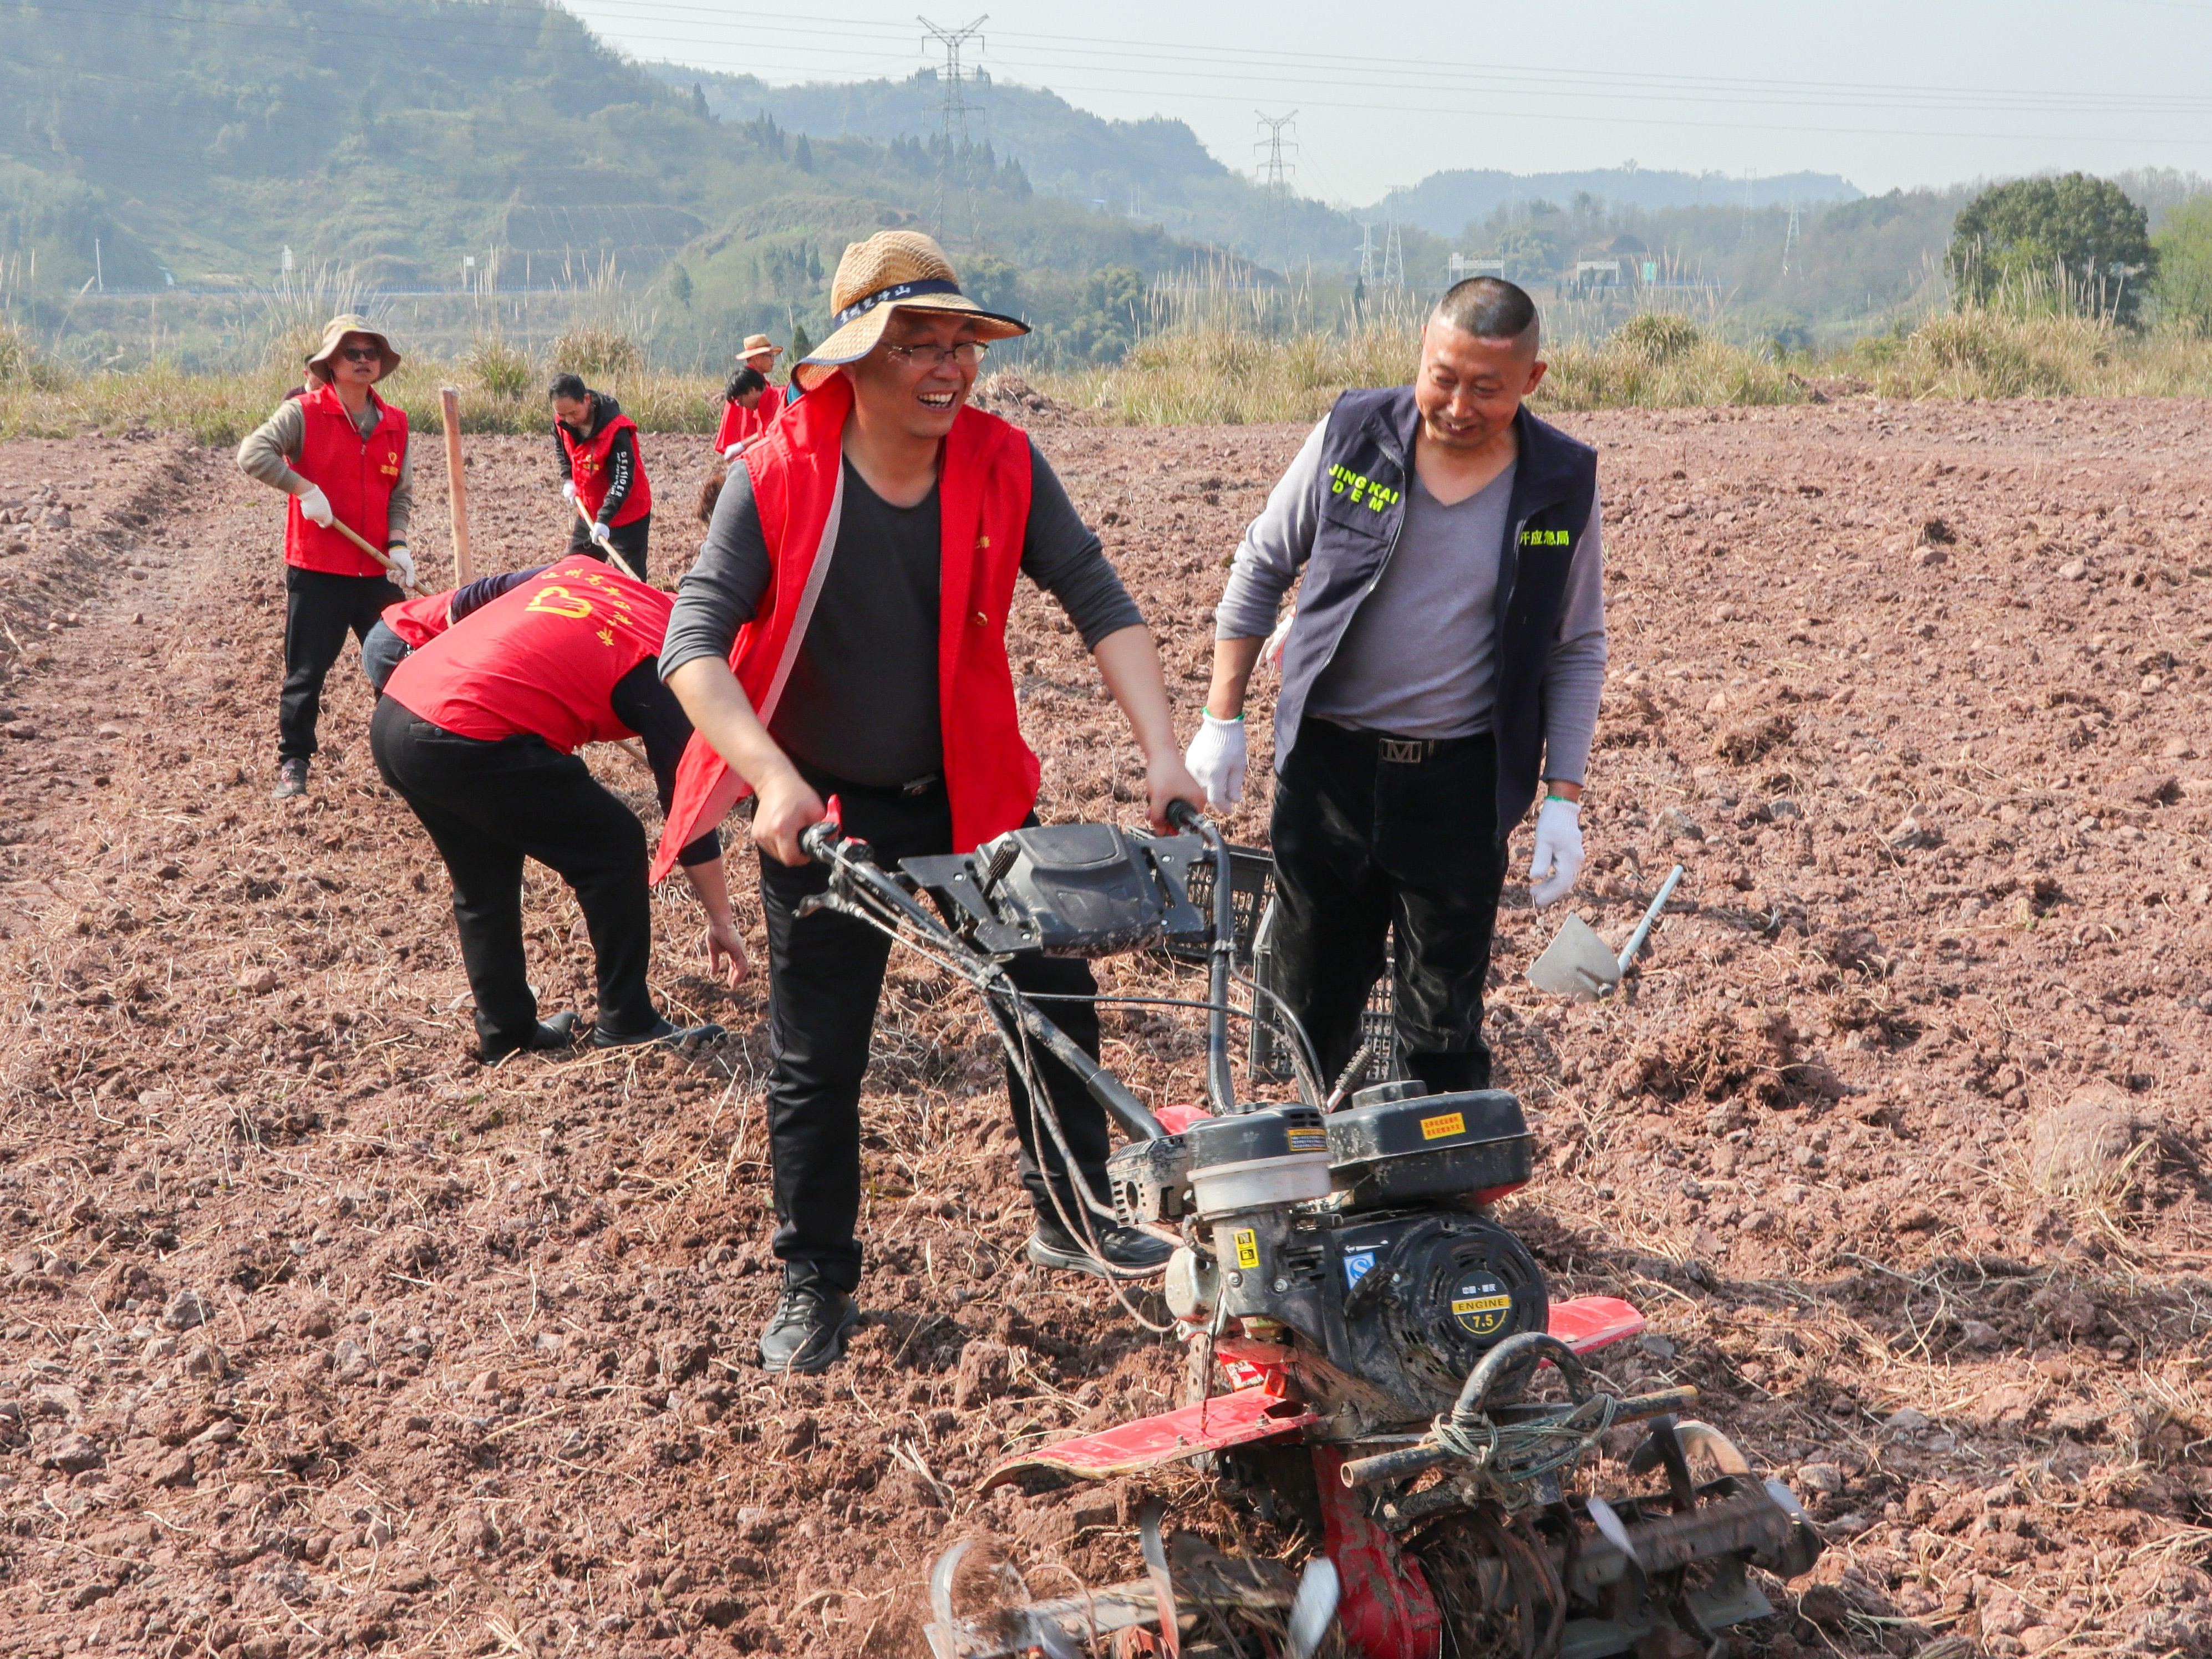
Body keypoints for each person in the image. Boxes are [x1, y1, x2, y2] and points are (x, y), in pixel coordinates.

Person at [659, 231, 1206, 1374]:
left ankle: (1071, 1212)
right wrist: (772, 779)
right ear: (852, 360)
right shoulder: (775, 475)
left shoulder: (1004, 463)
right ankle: (815, 1276)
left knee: (1051, 993)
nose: (947, 366)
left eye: (961, 343)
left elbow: (1097, 597)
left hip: (971, 790)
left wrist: (1163, 750)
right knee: (818, 1055)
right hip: (823, 812)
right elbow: (690, 644)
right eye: (916, 344)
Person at [1185, 277, 1606, 1098]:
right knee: (1309, 1011)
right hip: (1329, 774)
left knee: (1441, 1026)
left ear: (1531, 379)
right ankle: (1315, 1155)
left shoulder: (1560, 481)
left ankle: (1428, 1171)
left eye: (1486, 388)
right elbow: (1263, 562)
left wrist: (1563, 796)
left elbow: (1576, 644)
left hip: (1461, 785)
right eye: (1442, 378)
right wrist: (1220, 717)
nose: (1457, 406)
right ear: (1421, 350)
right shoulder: (1354, 436)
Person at [371, 557, 742, 1063]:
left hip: (399, 712)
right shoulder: (669, 666)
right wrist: (721, 918)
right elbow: (688, 804)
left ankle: (506, 1030)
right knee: (614, 845)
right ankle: (627, 1020)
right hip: (465, 728)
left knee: (484, 874)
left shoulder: (594, 573)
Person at [237, 314, 419, 800]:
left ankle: (406, 765)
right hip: (317, 570)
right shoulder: (303, 413)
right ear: (330, 364)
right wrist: (303, 488)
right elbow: (253, 454)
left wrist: (398, 544)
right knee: (306, 675)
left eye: (371, 353)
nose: (363, 360)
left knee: (400, 669)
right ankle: (293, 763)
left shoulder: (396, 423)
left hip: (375, 572)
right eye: (351, 353)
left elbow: (399, 493)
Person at [550, 373, 653, 581]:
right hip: (589, 513)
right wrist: (568, 477)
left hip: (627, 516)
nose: (569, 420)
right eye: (562, 414)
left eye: (573, 413)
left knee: (629, 582)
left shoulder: (617, 431)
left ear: (587, 400)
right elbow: (562, 447)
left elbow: (622, 479)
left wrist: (604, 520)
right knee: (577, 573)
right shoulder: (562, 421)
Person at [713, 334, 786, 459]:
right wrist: (744, 447)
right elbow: (748, 428)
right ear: (757, 358)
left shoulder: (748, 382)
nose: (772, 361)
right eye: (770, 356)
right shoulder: (748, 387)